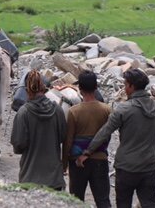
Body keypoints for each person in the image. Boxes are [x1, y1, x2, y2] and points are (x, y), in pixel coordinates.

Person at [77, 69, 155, 208]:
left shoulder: (124, 109)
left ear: (132, 87)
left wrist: (87, 152)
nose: (124, 88)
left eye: (125, 85)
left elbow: (104, 132)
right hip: (149, 166)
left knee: (123, 203)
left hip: (127, 167)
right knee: (149, 203)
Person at [10, 69, 66, 190]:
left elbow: (18, 145)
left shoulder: (23, 113)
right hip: (54, 179)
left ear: (27, 90)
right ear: (44, 88)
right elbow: (63, 137)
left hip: (29, 179)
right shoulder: (58, 110)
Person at [63, 71, 111, 207]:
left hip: (77, 162)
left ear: (80, 89)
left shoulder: (74, 111)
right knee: (103, 200)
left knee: (76, 201)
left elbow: (69, 140)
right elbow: (107, 136)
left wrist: (64, 163)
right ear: (96, 87)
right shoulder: (107, 110)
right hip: (100, 160)